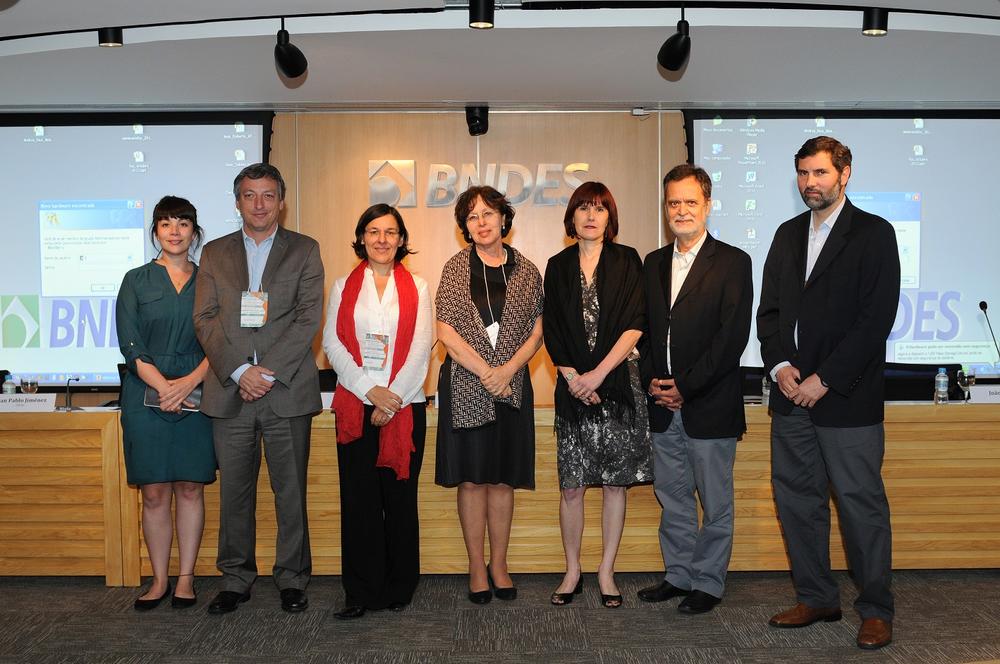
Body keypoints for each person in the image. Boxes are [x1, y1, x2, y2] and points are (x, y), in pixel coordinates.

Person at [757, 136, 899, 650]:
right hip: (790, 396)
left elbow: (875, 319)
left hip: (846, 399)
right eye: (803, 173)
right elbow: (769, 312)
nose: (810, 183)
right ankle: (817, 597)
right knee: (798, 503)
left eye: (819, 172)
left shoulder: (874, 233)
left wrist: (826, 378)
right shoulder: (786, 234)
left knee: (861, 507)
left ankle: (876, 610)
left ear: (844, 174)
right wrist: (780, 366)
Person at [193, 163, 325, 615]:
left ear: (281, 202)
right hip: (229, 391)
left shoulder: (305, 250)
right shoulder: (214, 253)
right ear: (237, 202)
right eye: (250, 195)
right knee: (234, 494)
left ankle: (292, 578)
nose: (259, 204)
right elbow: (204, 319)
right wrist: (238, 372)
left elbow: (308, 318)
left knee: (290, 492)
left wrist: (264, 372)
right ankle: (235, 578)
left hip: (285, 390)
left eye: (268, 195)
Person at [637, 164, 753, 614]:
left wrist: (685, 386)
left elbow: (731, 339)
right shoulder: (653, 263)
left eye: (690, 201)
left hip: (709, 405)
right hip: (662, 405)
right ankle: (679, 574)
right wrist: (653, 380)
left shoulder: (733, 262)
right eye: (674, 203)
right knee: (673, 497)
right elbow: (645, 331)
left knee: (715, 501)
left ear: (708, 205)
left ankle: (708, 581)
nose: (681, 210)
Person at [542, 181, 651, 609]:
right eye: (583, 208)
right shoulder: (557, 265)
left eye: (599, 209)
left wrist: (599, 376)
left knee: (613, 485)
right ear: (572, 217)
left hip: (618, 388)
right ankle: (572, 571)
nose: (591, 216)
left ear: (610, 217)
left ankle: (606, 571)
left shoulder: (628, 260)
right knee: (572, 487)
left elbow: (636, 322)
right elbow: (552, 330)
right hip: (573, 392)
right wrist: (575, 380)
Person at [435, 185, 544, 604]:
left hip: (512, 385)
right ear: (465, 226)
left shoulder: (527, 270)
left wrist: (507, 371)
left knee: (502, 480)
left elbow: (538, 331)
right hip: (466, 384)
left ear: (503, 218)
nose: (481, 222)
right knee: (472, 480)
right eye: (472, 216)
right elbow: (446, 331)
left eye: (488, 213)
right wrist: (486, 372)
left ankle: (499, 564)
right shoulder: (455, 268)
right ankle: (476, 566)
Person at [322, 204, 432, 620]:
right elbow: (332, 344)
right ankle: (360, 591)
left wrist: (392, 398)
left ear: (401, 240)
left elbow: (422, 348)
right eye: (373, 231)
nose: (382, 239)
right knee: (359, 502)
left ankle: (400, 586)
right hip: (356, 406)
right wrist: (370, 390)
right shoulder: (343, 286)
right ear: (362, 238)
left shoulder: (418, 287)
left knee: (400, 500)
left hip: (405, 407)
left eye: (390, 232)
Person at [117, 196, 216, 611]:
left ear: (195, 232)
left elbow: (222, 339)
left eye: (183, 223)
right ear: (155, 231)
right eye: (165, 223)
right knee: (154, 492)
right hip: (145, 393)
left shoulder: (211, 280)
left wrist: (188, 382)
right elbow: (130, 343)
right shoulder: (135, 280)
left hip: (199, 388)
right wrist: (165, 388)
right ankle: (159, 580)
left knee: (190, 487)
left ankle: (186, 579)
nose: (174, 231)